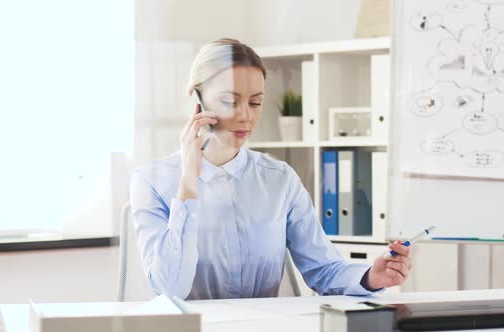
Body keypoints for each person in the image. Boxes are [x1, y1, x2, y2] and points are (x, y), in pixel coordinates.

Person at [130, 38, 412, 300]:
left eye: (255, 102)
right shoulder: (152, 181)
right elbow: (170, 290)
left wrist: (371, 278)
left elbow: (325, 270)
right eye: (230, 101)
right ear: (197, 99)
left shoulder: (279, 179)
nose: (245, 115)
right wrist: (189, 182)